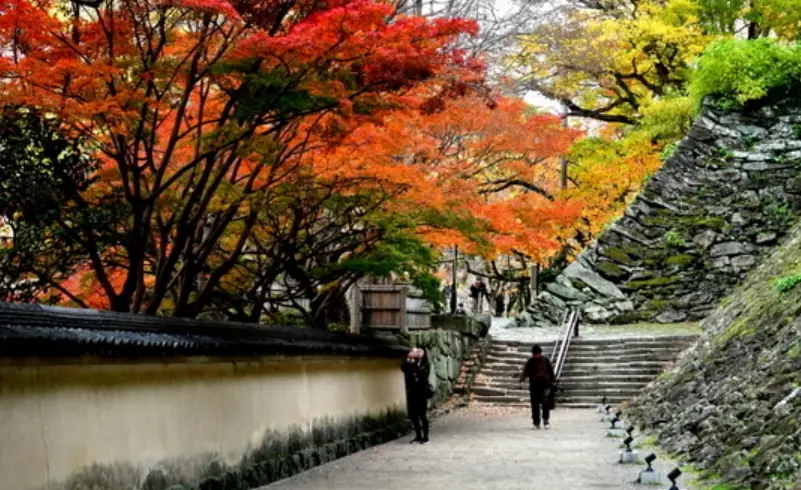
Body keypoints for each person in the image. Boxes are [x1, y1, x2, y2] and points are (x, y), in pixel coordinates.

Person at [518, 344, 555, 429]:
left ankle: (546, 421)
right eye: (535, 354)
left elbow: (550, 371)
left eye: (538, 354)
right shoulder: (530, 361)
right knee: (535, 405)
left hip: (545, 385)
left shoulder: (545, 360)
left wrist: (553, 381)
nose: (536, 356)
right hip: (534, 386)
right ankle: (536, 422)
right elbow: (525, 371)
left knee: (545, 403)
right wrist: (522, 380)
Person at [401, 347, 431, 443]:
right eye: (416, 351)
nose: (418, 353)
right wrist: (409, 359)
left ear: (424, 353)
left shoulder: (425, 364)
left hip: (421, 392)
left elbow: (422, 376)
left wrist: (414, 364)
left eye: (420, 351)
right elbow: (403, 368)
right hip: (412, 392)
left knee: (422, 415)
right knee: (414, 415)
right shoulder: (413, 362)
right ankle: (418, 435)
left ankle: (425, 436)